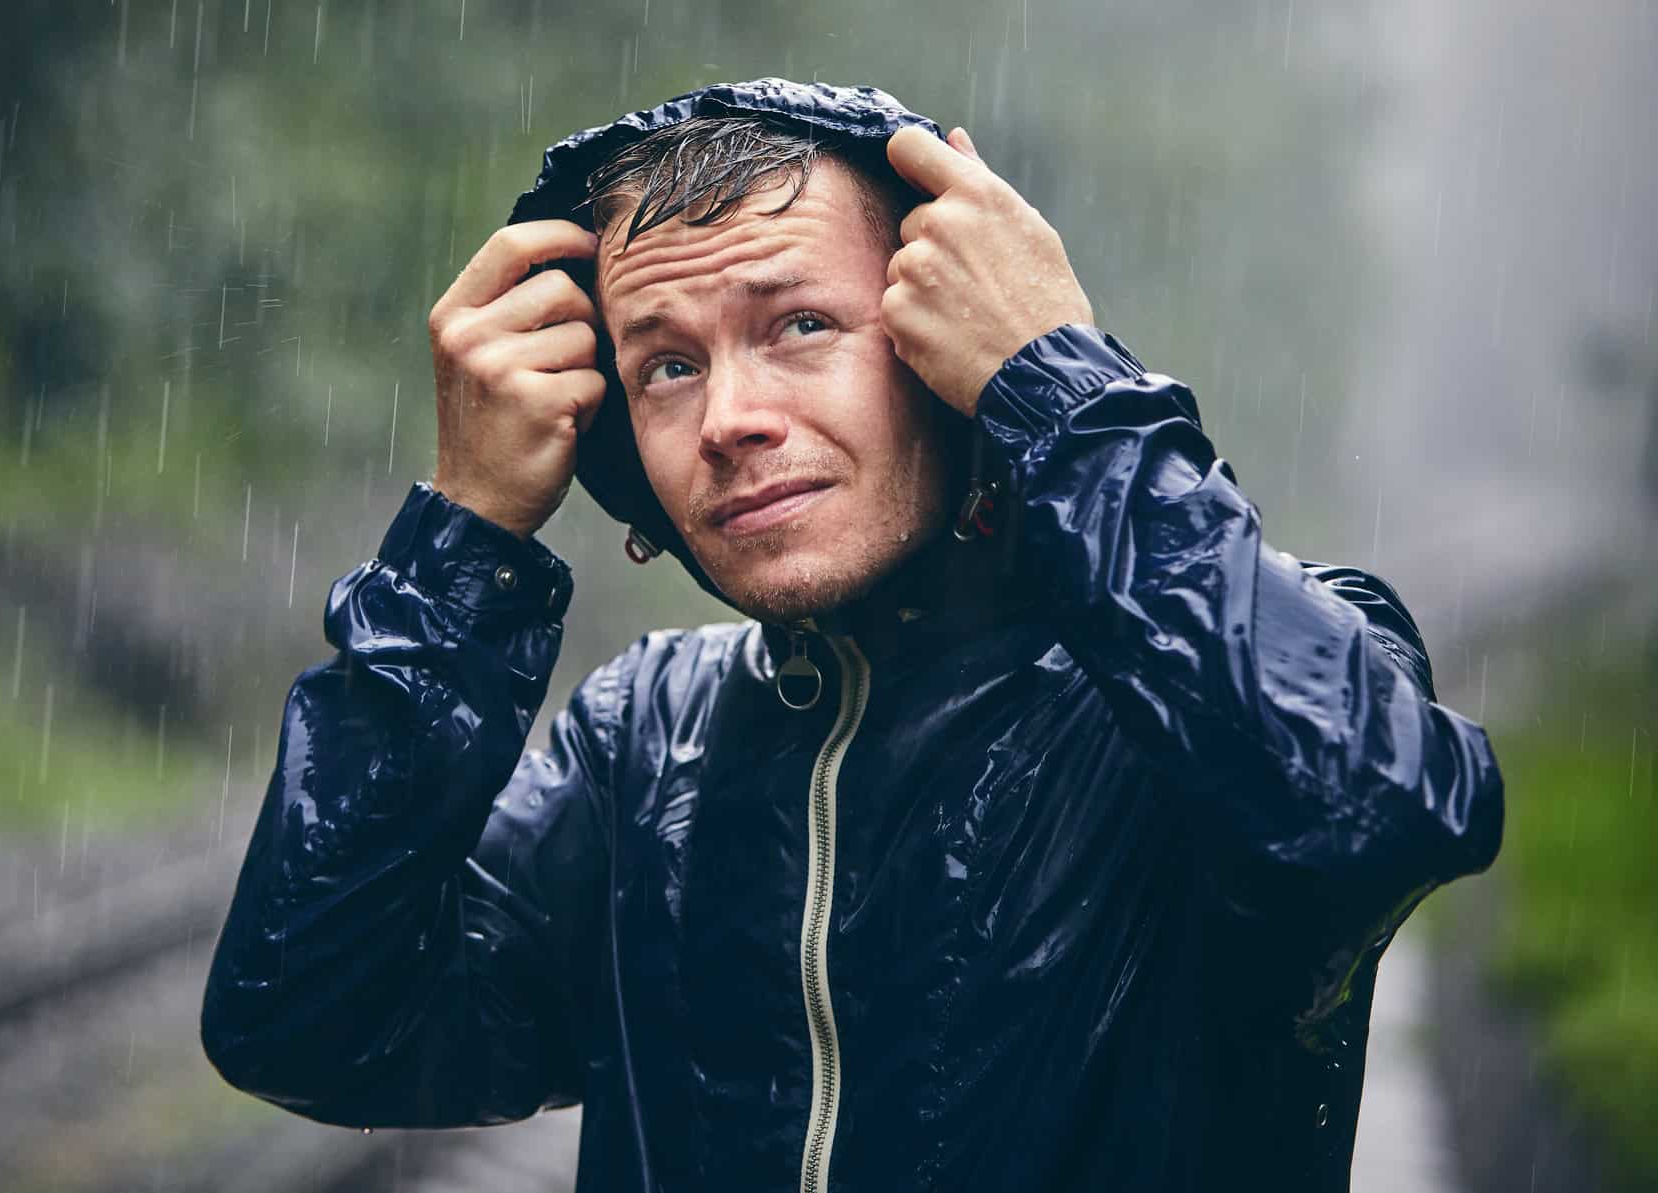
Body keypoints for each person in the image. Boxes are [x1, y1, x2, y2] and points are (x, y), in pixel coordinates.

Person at [200, 78, 1504, 1193]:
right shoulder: (641, 751)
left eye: (801, 327)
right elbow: (308, 1020)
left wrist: (1059, 383)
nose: (729, 416)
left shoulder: (1187, 702)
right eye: (665, 364)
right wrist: (466, 542)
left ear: (952, 355)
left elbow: (1373, 810)